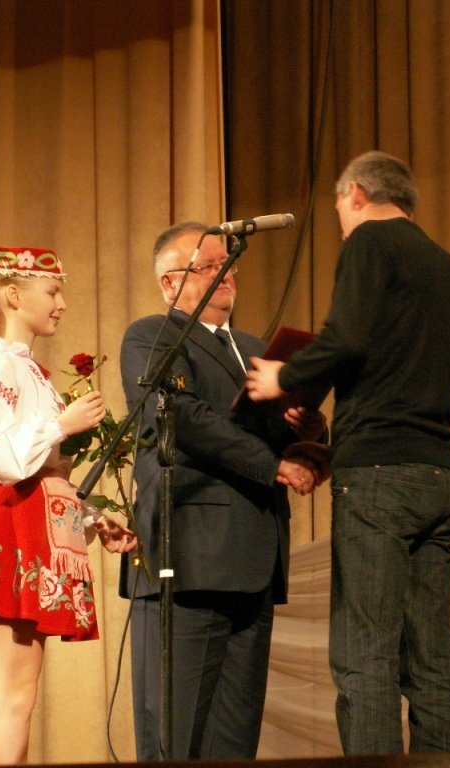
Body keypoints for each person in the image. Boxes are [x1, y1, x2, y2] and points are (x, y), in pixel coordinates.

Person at [244, 150, 450, 754]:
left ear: (357, 195)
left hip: (378, 479)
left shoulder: (370, 241)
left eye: (340, 210)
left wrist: (285, 377)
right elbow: (397, 362)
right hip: (438, 472)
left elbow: (346, 338)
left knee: (364, 653)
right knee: (431, 655)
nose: (342, 225)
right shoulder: (448, 266)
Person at [119, 222, 328, 760]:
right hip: (190, 554)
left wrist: (306, 431)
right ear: (169, 283)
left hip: (255, 557)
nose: (225, 275)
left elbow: (280, 430)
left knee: (234, 741)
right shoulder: (153, 336)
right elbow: (186, 419)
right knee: (175, 734)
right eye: (208, 267)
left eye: (227, 265)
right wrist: (272, 465)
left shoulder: (258, 350)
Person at [0, 246, 138, 765]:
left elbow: (46, 477)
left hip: (33, 524)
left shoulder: (30, 372)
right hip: (14, 530)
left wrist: (93, 517)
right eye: (51, 291)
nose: (61, 303)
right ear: (13, 295)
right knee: (12, 694)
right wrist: (60, 426)